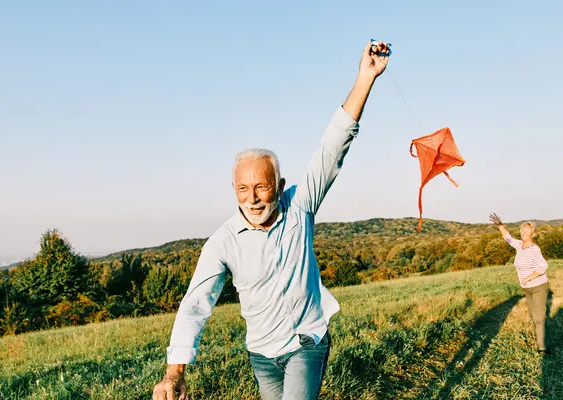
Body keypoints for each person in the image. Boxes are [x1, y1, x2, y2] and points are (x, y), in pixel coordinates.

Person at [152, 40, 391, 400]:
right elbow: (195, 304)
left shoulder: (300, 205)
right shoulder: (223, 242)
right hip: (262, 355)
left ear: (278, 185)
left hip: (305, 342)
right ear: (233, 189)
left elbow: (333, 146)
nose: (252, 198)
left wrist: (365, 78)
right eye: (242, 189)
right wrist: (175, 374)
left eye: (261, 187)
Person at [489, 213, 550, 354]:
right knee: (532, 315)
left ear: (533, 234)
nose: (524, 233)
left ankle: (542, 348)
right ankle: (539, 340)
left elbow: (543, 266)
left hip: (538, 286)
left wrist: (528, 278)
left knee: (538, 317)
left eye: (527, 231)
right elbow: (508, 238)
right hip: (527, 289)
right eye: (522, 230)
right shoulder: (519, 245)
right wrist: (500, 224)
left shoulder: (534, 249)